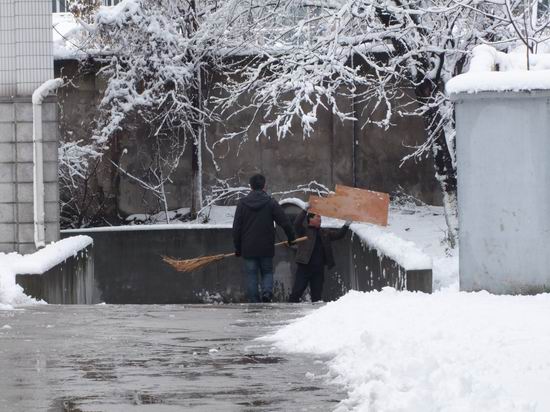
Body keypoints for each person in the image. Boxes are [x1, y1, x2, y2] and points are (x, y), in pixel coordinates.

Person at [232, 174, 296, 302]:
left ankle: (254, 301)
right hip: (266, 246)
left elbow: (236, 228)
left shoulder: (242, 204)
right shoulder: (270, 202)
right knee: (267, 272)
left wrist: (238, 248)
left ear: (250, 186)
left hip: (248, 248)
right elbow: (285, 222)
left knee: (251, 275)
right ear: (264, 186)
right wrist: (291, 238)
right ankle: (267, 293)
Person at [289, 208, 350, 303]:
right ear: (310, 219)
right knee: (296, 292)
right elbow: (296, 223)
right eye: (318, 217)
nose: (320, 219)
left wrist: (346, 225)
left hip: (318, 270)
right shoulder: (303, 231)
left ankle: (316, 316)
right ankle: (290, 312)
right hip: (304, 267)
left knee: (317, 297)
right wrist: (305, 210)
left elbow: (339, 235)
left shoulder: (324, 233)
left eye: (320, 217)